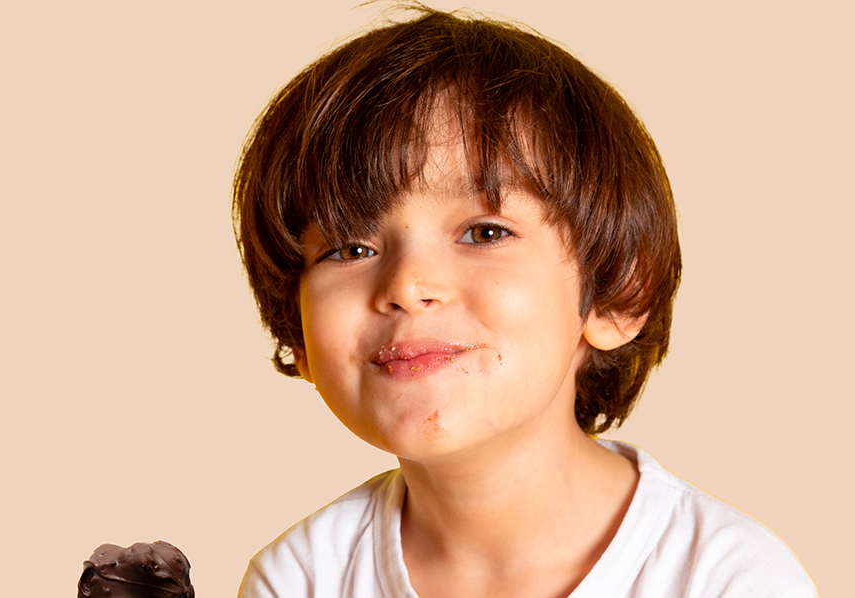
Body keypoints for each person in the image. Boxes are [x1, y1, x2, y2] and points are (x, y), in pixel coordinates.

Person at [231, 7, 816, 598]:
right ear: (298, 337)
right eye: (349, 248)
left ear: (616, 295)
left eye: (484, 233)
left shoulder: (728, 578)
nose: (408, 285)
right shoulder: (299, 579)